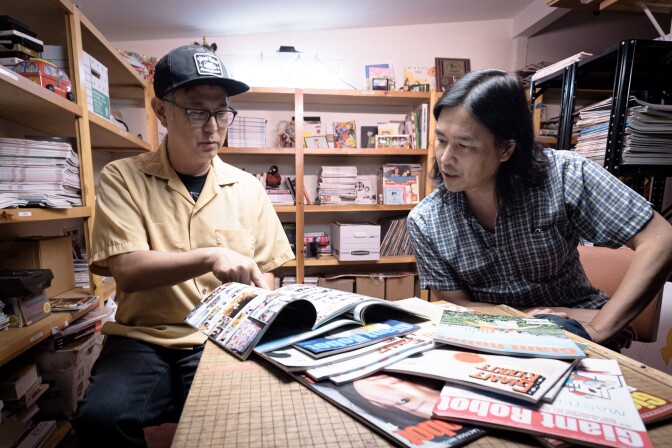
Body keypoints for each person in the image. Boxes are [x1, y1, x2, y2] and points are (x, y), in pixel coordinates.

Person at [71, 44, 294, 447]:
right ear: (161, 111)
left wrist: (268, 309)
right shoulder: (123, 177)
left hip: (221, 337)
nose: (212, 127)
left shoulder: (248, 188)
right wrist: (211, 256)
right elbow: (128, 270)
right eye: (196, 111)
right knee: (100, 418)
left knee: (242, 422)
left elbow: (268, 272)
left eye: (221, 111)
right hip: (143, 337)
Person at [407, 68, 672, 351]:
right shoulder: (426, 221)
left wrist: (597, 327)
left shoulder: (565, 175)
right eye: (442, 140)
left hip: (577, 326)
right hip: (489, 332)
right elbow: (457, 305)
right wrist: (529, 320)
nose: (446, 159)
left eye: (464, 145)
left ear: (506, 149)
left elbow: (661, 239)